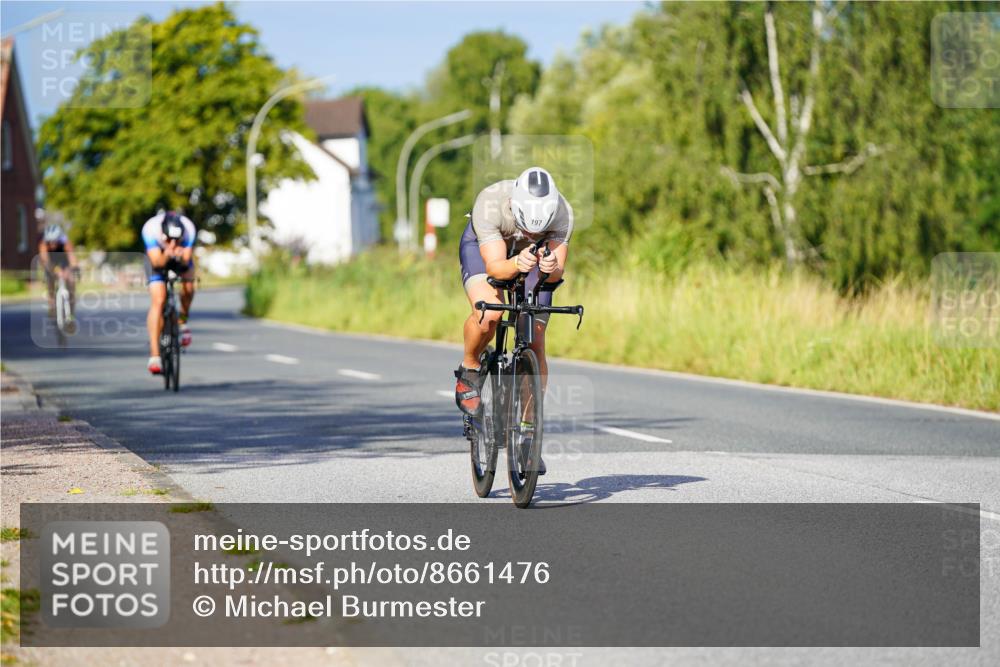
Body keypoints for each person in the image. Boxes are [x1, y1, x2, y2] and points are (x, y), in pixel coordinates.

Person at [454, 166, 574, 475]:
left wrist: (550, 266)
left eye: (540, 230)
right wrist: (515, 263)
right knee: (490, 313)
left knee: (535, 336)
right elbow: (495, 268)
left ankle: (528, 431)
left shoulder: (563, 213)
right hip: (489, 250)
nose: (534, 235)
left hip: (531, 259)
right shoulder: (490, 202)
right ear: (514, 207)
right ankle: (469, 367)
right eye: (529, 228)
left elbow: (557, 272)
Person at [142, 211, 196, 374]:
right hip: (157, 258)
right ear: (162, 234)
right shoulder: (150, 229)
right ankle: (155, 355)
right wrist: (167, 252)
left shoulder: (188, 229)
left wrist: (179, 254)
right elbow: (157, 262)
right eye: (168, 239)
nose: (172, 242)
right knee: (159, 300)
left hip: (179, 257)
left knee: (189, 288)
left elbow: (186, 258)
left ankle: (182, 321)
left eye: (176, 239)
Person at [37, 223, 79, 329]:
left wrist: (72, 269)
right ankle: (52, 304)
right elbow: (45, 260)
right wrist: (54, 270)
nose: (52, 244)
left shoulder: (65, 242)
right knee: (50, 279)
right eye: (50, 242)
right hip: (51, 263)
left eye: (54, 242)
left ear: (59, 238)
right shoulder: (43, 244)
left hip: (64, 262)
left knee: (71, 282)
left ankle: (71, 316)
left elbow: (72, 258)